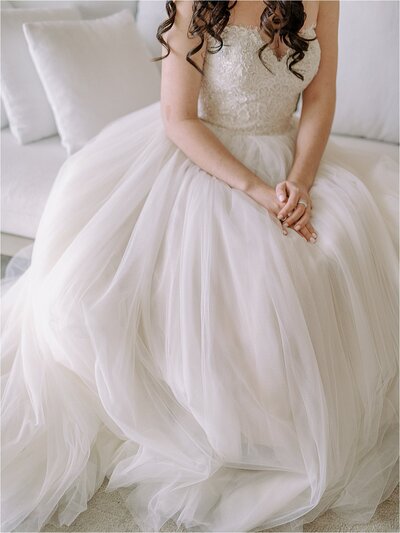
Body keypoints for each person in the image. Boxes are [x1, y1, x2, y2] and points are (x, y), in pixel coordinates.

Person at [1, 1, 398, 531]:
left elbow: (321, 98)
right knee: (254, 276)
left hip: (290, 157)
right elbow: (178, 118)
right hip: (204, 158)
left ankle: (295, 418)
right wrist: (256, 190)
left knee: (344, 244)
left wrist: (300, 182)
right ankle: (229, 423)